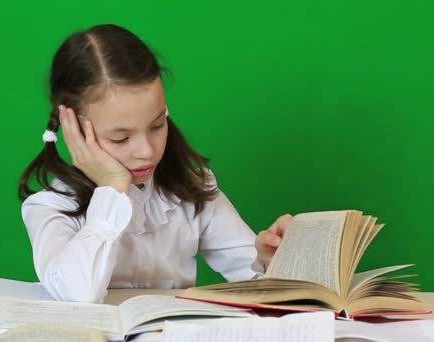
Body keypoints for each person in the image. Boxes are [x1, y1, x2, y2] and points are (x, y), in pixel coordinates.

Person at [18, 23, 291, 303]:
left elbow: (262, 285)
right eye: (121, 138)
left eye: (158, 125)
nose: (146, 151)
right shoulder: (52, 206)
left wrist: (268, 259)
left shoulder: (190, 190)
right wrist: (112, 187)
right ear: (73, 128)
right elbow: (76, 294)